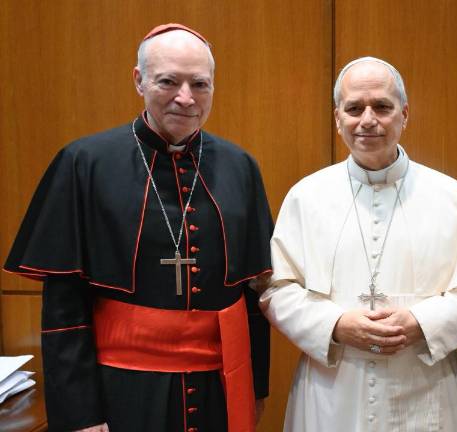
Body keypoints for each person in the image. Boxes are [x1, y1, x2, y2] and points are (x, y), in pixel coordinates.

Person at [3, 24, 273, 432]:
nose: (186, 97)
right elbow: (63, 306)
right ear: (139, 80)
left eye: (200, 84)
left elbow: (253, 295)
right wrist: (81, 416)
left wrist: (255, 390)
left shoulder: (241, 167)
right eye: (168, 81)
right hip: (123, 392)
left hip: (220, 388)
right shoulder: (84, 162)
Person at [260, 57, 457, 431]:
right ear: (337, 117)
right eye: (354, 108)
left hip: (426, 393)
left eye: (383, 107)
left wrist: (421, 321)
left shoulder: (452, 198)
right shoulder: (305, 197)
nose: (368, 119)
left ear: (404, 114)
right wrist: (337, 323)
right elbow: (276, 290)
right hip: (333, 394)